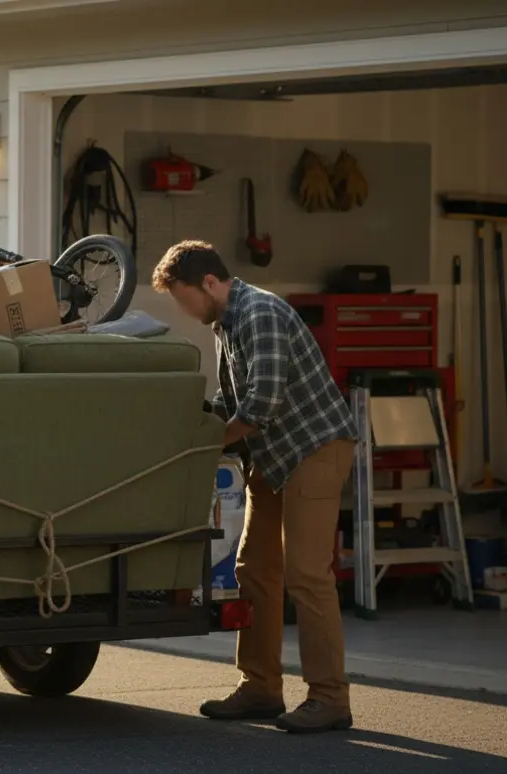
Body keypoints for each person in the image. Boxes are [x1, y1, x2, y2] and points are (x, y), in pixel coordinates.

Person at [151, 240, 358, 734]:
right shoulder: (225, 322)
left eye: (183, 299)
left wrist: (209, 447)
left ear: (208, 283)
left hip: (314, 450)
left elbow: (261, 402)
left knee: (307, 574)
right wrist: (188, 428)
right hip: (272, 457)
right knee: (255, 570)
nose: (183, 311)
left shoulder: (259, 311)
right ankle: (261, 688)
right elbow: (230, 397)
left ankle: (330, 699)